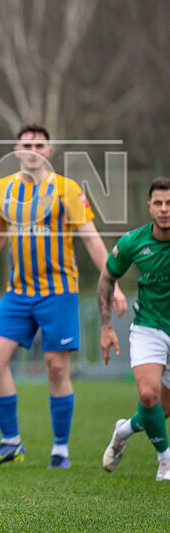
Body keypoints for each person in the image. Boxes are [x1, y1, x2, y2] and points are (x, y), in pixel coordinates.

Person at [0, 124, 127, 470]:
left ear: (48, 152)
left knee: (55, 368)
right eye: (26, 144)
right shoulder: (3, 190)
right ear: (16, 151)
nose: (32, 149)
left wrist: (114, 283)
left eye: (39, 144)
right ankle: (10, 443)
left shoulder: (66, 190)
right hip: (17, 293)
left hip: (59, 292)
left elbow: (93, 240)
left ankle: (60, 450)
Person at [99, 177, 170, 481]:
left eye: (169, 203)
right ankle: (165, 461)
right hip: (148, 327)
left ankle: (124, 430)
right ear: (149, 206)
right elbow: (106, 279)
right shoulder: (133, 242)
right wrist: (106, 327)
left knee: (161, 411)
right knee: (147, 394)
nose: (165, 209)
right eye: (159, 203)